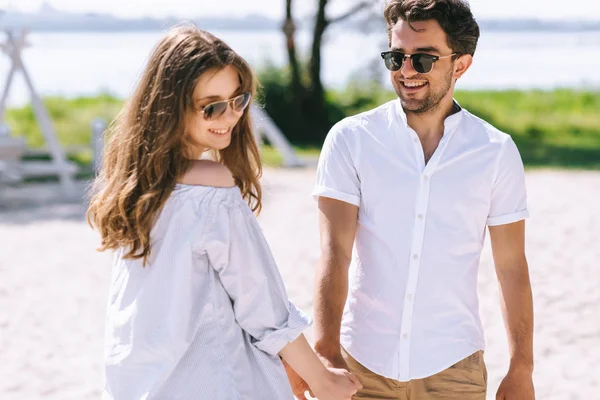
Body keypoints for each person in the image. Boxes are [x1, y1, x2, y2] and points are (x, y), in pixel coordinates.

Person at [87, 25, 361, 400]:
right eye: (211, 106)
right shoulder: (209, 185)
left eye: (238, 100)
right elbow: (262, 303)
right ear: (169, 106)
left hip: (140, 383)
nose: (229, 116)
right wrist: (321, 378)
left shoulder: (135, 188)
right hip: (212, 379)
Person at [288, 1, 536, 399]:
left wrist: (521, 366)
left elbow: (511, 267)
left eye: (423, 59)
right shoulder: (351, 140)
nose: (406, 71)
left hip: (454, 371)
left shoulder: (495, 151)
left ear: (461, 65)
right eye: (395, 57)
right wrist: (325, 350)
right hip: (361, 367)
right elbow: (335, 251)